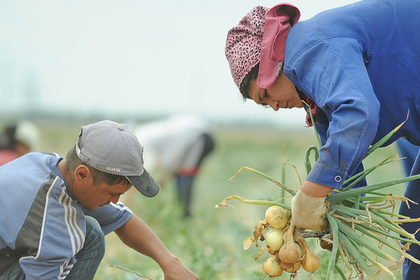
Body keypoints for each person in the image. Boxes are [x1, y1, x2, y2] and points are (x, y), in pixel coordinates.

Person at [224, 0, 420, 278]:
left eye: (266, 95)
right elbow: (347, 168)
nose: (275, 106)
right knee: (415, 230)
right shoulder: (316, 101)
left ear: (271, 65)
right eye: (265, 106)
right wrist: (338, 219)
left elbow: (358, 114)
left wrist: (310, 196)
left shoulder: (307, 47)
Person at [0, 120, 198, 280]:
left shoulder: (45, 164)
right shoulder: (49, 213)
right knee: (89, 235)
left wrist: (170, 262)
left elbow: (123, 218)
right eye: (112, 193)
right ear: (82, 174)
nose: (115, 201)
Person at [132, 115, 215, 218]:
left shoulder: (145, 140)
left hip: (200, 139)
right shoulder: (146, 135)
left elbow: (168, 163)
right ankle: (181, 210)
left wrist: (161, 181)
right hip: (194, 137)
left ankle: (185, 214)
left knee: (186, 174)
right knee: (180, 173)